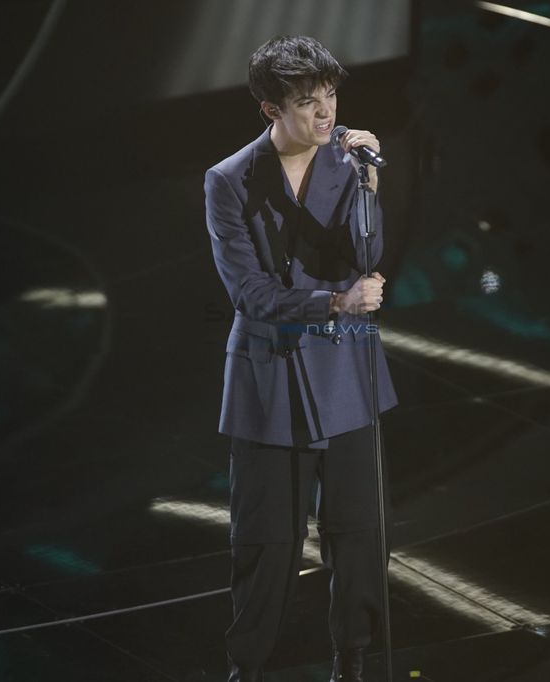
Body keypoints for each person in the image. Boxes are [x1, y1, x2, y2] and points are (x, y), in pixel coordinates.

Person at [203, 35, 398, 682]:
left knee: (360, 535)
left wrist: (369, 183)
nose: (325, 112)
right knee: (267, 542)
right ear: (271, 109)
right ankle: (247, 668)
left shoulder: (349, 162)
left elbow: (367, 259)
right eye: (308, 101)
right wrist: (334, 303)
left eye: (330, 96)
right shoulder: (230, 180)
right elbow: (249, 293)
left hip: (347, 372)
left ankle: (353, 660)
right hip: (270, 377)